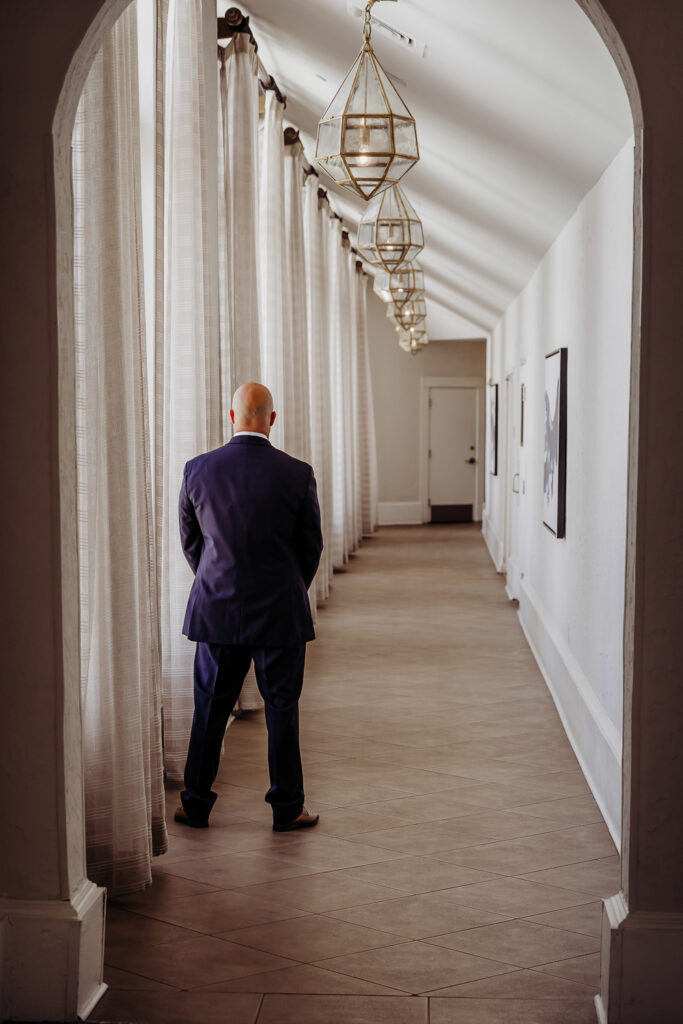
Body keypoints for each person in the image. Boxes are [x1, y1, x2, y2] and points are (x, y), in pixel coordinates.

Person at [175, 382, 323, 833]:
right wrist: (286, 586)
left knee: (210, 710)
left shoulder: (198, 470)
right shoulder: (297, 473)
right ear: (272, 419)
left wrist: (218, 579)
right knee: (282, 709)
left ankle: (195, 805)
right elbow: (310, 546)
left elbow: (190, 540)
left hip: (217, 611)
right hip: (279, 613)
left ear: (232, 416)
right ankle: (287, 808)